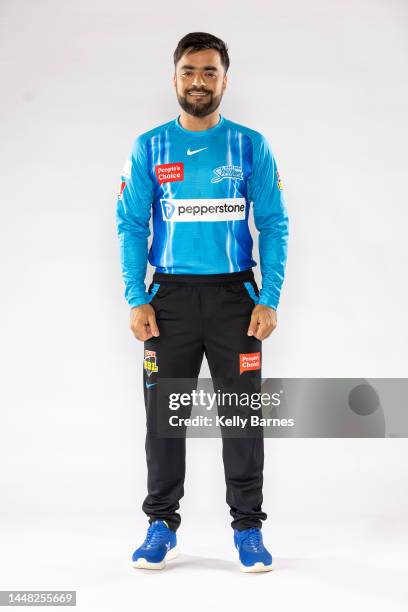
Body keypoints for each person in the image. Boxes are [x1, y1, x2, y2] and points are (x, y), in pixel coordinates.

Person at [116, 31, 289, 572]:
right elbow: (130, 224)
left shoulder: (250, 145)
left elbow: (274, 223)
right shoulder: (150, 147)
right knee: (165, 418)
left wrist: (269, 297)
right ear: (174, 77)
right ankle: (161, 524)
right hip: (167, 300)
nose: (198, 81)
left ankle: (248, 530)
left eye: (209, 72)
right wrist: (136, 296)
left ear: (224, 80)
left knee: (241, 417)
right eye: (189, 71)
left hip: (235, 298)